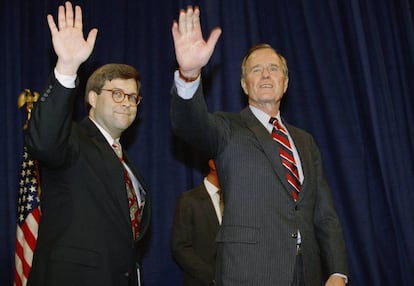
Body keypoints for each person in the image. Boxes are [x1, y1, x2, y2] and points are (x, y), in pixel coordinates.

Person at [170, 6, 349, 286]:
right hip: (250, 273)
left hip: (308, 273)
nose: (266, 75)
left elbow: (324, 213)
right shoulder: (227, 128)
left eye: (273, 69)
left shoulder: (305, 141)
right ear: (244, 84)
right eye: (256, 70)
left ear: (285, 82)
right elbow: (188, 124)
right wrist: (189, 75)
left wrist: (338, 272)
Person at [25, 2, 150, 286]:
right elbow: (43, 142)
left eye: (133, 97)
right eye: (117, 94)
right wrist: (67, 68)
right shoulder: (72, 140)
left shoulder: (125, 163)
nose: (127, 103)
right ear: (92, 98)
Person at [172, 159, 222, 286]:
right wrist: (213, 276)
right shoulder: (189, 200)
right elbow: (180, 248)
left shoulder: (233, 200)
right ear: (212, 164)